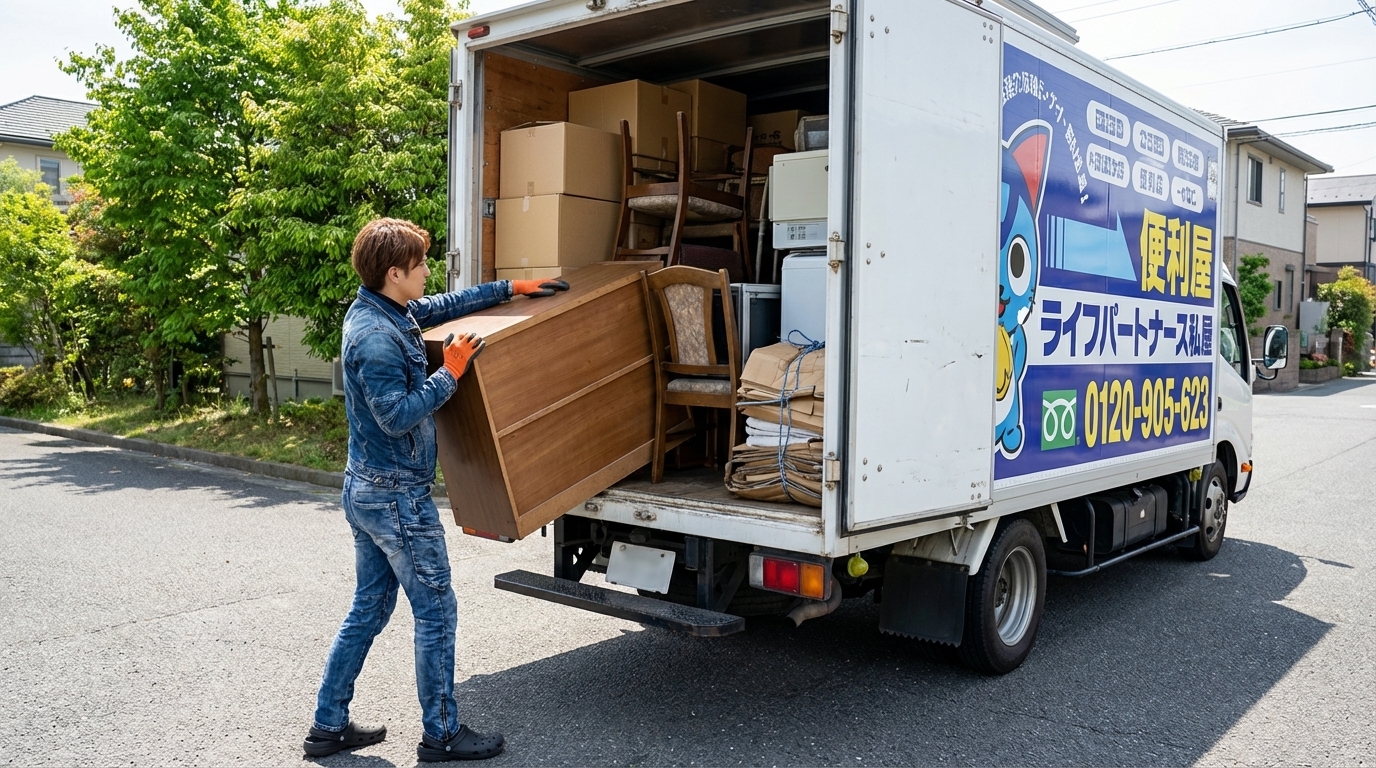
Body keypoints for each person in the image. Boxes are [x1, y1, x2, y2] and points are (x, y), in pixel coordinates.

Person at [303, 218, 567, 761]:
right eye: (419, 264)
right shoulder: (375, 338)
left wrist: (510, 288)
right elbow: (396, 416)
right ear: (394, 273)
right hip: (395, 497)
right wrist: (450, 372)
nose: (427, 271)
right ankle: (442, 734)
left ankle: (328, 726)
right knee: (436, 611)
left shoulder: (385, 309)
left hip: (369, 489)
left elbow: (443, 305)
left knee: (370, 609)